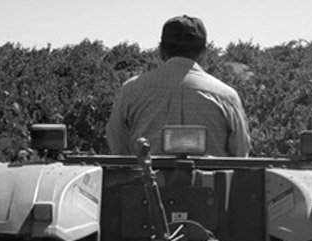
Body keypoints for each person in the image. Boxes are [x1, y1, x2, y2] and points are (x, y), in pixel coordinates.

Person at [106, 15, 251, 156]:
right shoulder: (226, 96)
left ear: (161, 50)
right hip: (210, 180)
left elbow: (117, 143)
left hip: (145, 179)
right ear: (203, 52)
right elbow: (240, 152)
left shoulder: (132, 89)